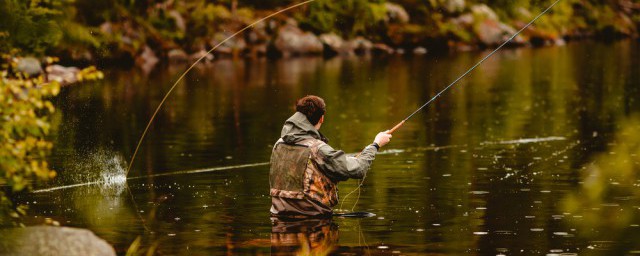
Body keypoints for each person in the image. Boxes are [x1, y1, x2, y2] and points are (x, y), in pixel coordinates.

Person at [269, 95, 392, 218]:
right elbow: (358, 169)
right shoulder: (318, 149)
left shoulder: (279, 143)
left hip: (278, 218)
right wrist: (375, 145)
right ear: (321, 118)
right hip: (313, 222)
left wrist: (352, 158)